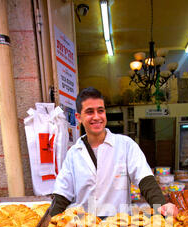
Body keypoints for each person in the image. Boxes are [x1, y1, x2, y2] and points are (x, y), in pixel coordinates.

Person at [51, 87, 178, 218]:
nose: (96, 117)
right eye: (89, 112)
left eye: (100, 111)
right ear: (79, 117)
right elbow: (62, 194)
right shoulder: (73, 153)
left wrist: (161, 206)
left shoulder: (125, 145)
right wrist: (50, 225)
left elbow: (145, 179)